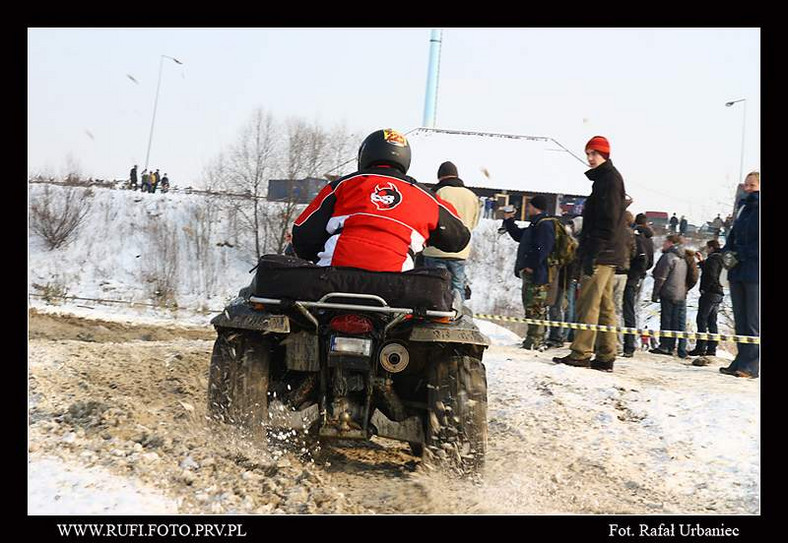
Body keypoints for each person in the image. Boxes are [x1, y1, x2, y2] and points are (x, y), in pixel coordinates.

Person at [291, 129, 470, 273]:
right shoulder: (425, 196)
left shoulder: (343, 185)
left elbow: (302, 232)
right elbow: (459, 237)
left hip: (335, 275)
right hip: (394, 287)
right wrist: (428, 238)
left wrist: (311, 254)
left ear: (365, 154)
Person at [552, 135, 628, 372]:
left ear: (605, 155)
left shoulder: (609, 181)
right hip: (608, 251)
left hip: (602, 252)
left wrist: (592, 252)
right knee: (605, 306)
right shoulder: (607, 180)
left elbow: (607, 220)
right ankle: (606, 354)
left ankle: (581, 352)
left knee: (588, 303)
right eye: (588, 154)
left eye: (594, 153)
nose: (590, 158)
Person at [421, 161, 482, 302]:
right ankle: (456, 315)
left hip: (435, 250)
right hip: (460, 250)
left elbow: (427, 218)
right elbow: (473, 223)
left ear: (440, 177)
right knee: (457, 286)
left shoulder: (437, 193)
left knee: (436, 286)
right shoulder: (471, 196)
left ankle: (436, 315)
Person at [719, 171, 759, 379]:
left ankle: (751, 365)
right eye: (746, 184)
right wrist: (727, 252)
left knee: (752, 319)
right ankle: (740, 359)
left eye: (752, 185)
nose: (748, 188)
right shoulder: (742, 208)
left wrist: (741, 253)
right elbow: (733, 235)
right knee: (741, 319)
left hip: (754, 271)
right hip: (737, 270)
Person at [502, 195, 555, 349]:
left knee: (536, 308)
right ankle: (532, 339)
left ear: (535, 207)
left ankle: (536, 341)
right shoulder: (536, 224)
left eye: (530, 205)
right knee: (531, 306)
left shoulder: (544, 225)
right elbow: (520, 236)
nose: (527, 208)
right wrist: (509, 220)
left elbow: (542, 249)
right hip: (532, 274)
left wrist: (531, 266)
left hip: (538, 275)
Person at [649, 234, 689, 358]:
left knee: (666, 320)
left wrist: (655, 293)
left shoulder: (668, 257)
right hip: (680, 293)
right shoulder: (683, 258)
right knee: (676, 322)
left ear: (671, 243)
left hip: (668, 292)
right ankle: (673, 346)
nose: (663, 244)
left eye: (665, 242)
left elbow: (661, 277)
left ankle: (665, 346)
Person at [622, 212, 655, 357]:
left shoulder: (634, 236)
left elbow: (638, 257)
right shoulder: (649, 239)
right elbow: (650, 261)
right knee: (633, 310)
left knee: (624, 309)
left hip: (629, 276)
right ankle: (631, 343)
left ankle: (627, 344)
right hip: (639, 277)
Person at [688, 239, 724, 357]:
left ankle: (700, 347)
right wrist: (702, 261)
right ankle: (712, 348)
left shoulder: (713, 259)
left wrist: (705, 289)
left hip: (710, 293)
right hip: (718, 293)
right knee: (712, 321)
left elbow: (711, 274)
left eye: (708, 248)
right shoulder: (720, 258)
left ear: (711, 248)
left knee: (702, 319)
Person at [610, 211, 636, 354]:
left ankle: (607, 342)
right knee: (618, 310)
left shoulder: (615, 231)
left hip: (612, 271)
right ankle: (618, 344)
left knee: (607, 308)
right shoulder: (631, 234)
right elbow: (633, 252)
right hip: (624, 273)